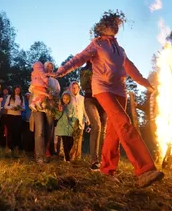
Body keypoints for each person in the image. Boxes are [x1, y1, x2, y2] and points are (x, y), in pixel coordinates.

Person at [55, 10, 164, 187]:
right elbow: (79, 58)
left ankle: (107, 170)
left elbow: (131, 69)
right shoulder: (97, 44)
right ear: (103, 26)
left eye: (117, 24)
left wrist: (146, 84)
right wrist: (61, 71)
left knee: (114, 133)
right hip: (103, 89)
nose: (115, 26)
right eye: (112, 23)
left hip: (120, 92)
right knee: (124, 123)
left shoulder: (120, 50)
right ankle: (145, 170)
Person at [31, 61, 61, 164]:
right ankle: (39, 156)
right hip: (38, 106)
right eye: (48, 66)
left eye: (52, 66)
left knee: (49, 131)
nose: (50, 67)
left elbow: (57, 94)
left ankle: (43, 153)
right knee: (39, 131)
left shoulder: (55, 81)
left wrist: (54, 96)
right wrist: (43, 92)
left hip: (50, 107)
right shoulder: (38, 75)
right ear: (44, 67)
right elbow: (32, 88)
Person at [80, 61, 107, 170]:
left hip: (104, 99)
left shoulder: (105, 66)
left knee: (104, 129)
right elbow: (83, 85)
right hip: (90, 98)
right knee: (97, 126)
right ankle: (94, 160)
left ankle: (102, 160)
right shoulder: (84, 70)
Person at [55, 91, 79, 162]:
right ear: (62, 99)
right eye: (64, 98)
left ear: (69, 99)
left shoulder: (71, 106)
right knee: (65, 142)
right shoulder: (59, 106)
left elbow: (74, 115)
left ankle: (67, 155)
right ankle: (67, 158)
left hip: (69, 127)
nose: (65, 100)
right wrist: (59, 111)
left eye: (67, 99)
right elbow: (56, 117)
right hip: (62, 127)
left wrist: (73, 122)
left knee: (71, 142)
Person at [68, 81, 89, 161]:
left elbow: (84, 109)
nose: (74, 89)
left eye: (76, 87)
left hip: (80, 122)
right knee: (72, 139)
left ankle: (78, 156)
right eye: (73, 88)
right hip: (72, 122)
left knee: (79, 139)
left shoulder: (82, 98)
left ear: (78, 88)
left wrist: (87, 118)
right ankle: (71, 155)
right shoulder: (69, 98)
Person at [4, 85, 25, 151]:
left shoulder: (22, 98)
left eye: (19, 90)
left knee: (17, 132)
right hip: (10, 115)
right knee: (10, 131)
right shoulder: (10, 97)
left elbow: (24, 108)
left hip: (18, 116)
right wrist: (11, 107)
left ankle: (16, 146)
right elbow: (5, 106)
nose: (17, 91)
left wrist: (20, 108)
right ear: (14, 90)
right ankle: (9, 147)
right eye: (16, 90)